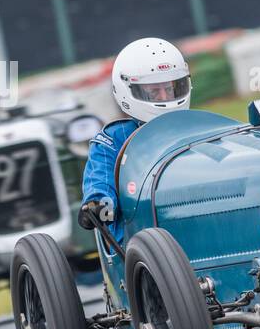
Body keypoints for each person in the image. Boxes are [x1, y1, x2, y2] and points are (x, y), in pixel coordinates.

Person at [79, 38, 192, 241]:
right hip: (141, 242)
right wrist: (98, 205)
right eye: (154, 91)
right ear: (127, 91)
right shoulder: (113, 140)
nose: (165, 96)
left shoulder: (198, 125)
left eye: (171, 88)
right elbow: (101, 183)